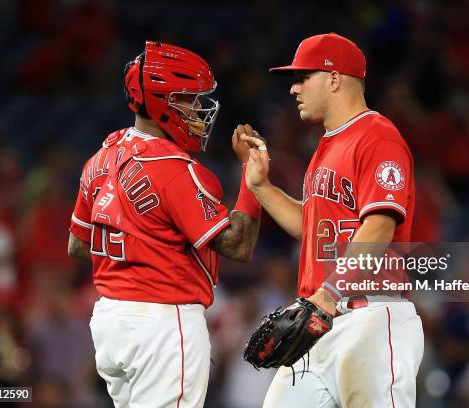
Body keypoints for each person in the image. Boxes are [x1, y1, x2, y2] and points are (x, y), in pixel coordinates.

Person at [67, 40, 261, 408]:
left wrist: (140, 245)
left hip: (110, 322)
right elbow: (239, 245)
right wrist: (253, 179)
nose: (197, 110)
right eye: (188, 99)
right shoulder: (174, 169)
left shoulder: (99, 158)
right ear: (160, 101)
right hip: (162, 324)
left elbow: (79, 246)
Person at [239, 33, 424, 407]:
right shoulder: (326, 146)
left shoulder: (378, 137)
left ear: (335, 79)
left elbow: (379, 227)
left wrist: (329, 294)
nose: (293, 89)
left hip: (369, 315)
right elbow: (310, 228)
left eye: (302, 77)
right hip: (319, 320)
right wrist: (261, 186)